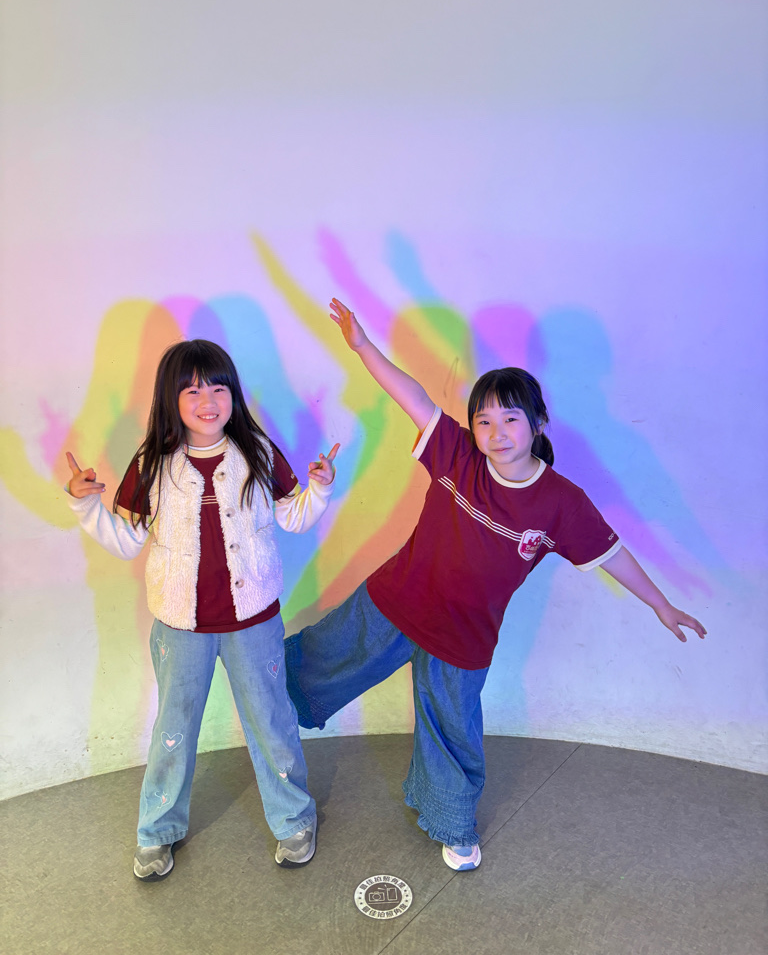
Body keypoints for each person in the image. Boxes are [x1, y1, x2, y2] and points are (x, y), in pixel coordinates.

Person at [285, 298, 707, 873]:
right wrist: (362, 345)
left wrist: (662, 604)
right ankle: (266, 700)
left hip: (464, 636)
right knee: (322, 655)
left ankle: (453, 824)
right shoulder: (455, 452)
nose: (495, 432)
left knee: (451, 729)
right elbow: (411, 395)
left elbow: (611, 554)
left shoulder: (561, 502)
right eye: (483, 420)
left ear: (537, 423)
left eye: (510, 419)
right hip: (394, 601)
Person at [65, 339, 339, 880]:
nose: (207, 401)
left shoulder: (258, 452)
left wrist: (320, 489)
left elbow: (293, 517)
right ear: (171, 398)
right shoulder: (151, 464)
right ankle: (157, 831)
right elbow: (127, 541)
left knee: (272, 722)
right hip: (179, 625)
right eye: (191, 390)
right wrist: (84, 504)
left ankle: (293, 820)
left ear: (233, 394)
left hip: (254, 621)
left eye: (217, 387)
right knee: (173, 728)